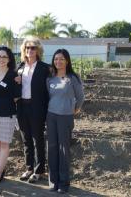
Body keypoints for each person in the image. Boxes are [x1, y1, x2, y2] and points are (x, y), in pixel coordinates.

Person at [46, 49, 84, 194]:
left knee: (63, 150)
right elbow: (49, 96)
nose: (58, 62)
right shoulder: (50, 78)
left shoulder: (73, 78)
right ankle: (53, 181)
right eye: (56, 59)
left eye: (61, 59)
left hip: (65, 117)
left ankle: (64, 183)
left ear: (67, 61)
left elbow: (80, 97)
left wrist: (74, 110)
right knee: (52, 148)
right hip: (51, 116)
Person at [16, 37, 50, 183]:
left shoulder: (44, 68)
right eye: (27, 48)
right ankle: (29, 168)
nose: (30, 50)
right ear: (24, 50)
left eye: (33, 48)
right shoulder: (20, 67)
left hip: (37, 108)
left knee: (38, 139)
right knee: (26, 140)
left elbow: (48, 91)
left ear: (38, 50)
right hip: (22, 107)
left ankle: (39, 170)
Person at [0, 46, 21, 186]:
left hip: (7, 113)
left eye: (4, 57)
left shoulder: (14, 75)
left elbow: (17, 95)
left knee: (5, 143)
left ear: (9, 59)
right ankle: (1, 170)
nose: (1, 59)